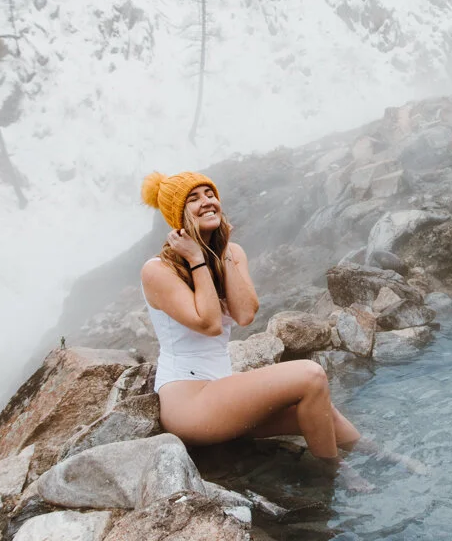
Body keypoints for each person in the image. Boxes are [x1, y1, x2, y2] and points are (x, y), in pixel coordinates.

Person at [139, 170, 362, 468]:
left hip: (220, 391)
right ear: (177, 216)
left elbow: (245, 314)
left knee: (318, 409)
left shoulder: (232, 253)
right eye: (193, 199)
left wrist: (222, 250)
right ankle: (335, 474)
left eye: (210, 194)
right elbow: (209, 323)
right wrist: (196, 260)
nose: (207, 202)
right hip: (188, 404)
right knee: (311, 375)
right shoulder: (157, 270)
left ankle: (381, 457)